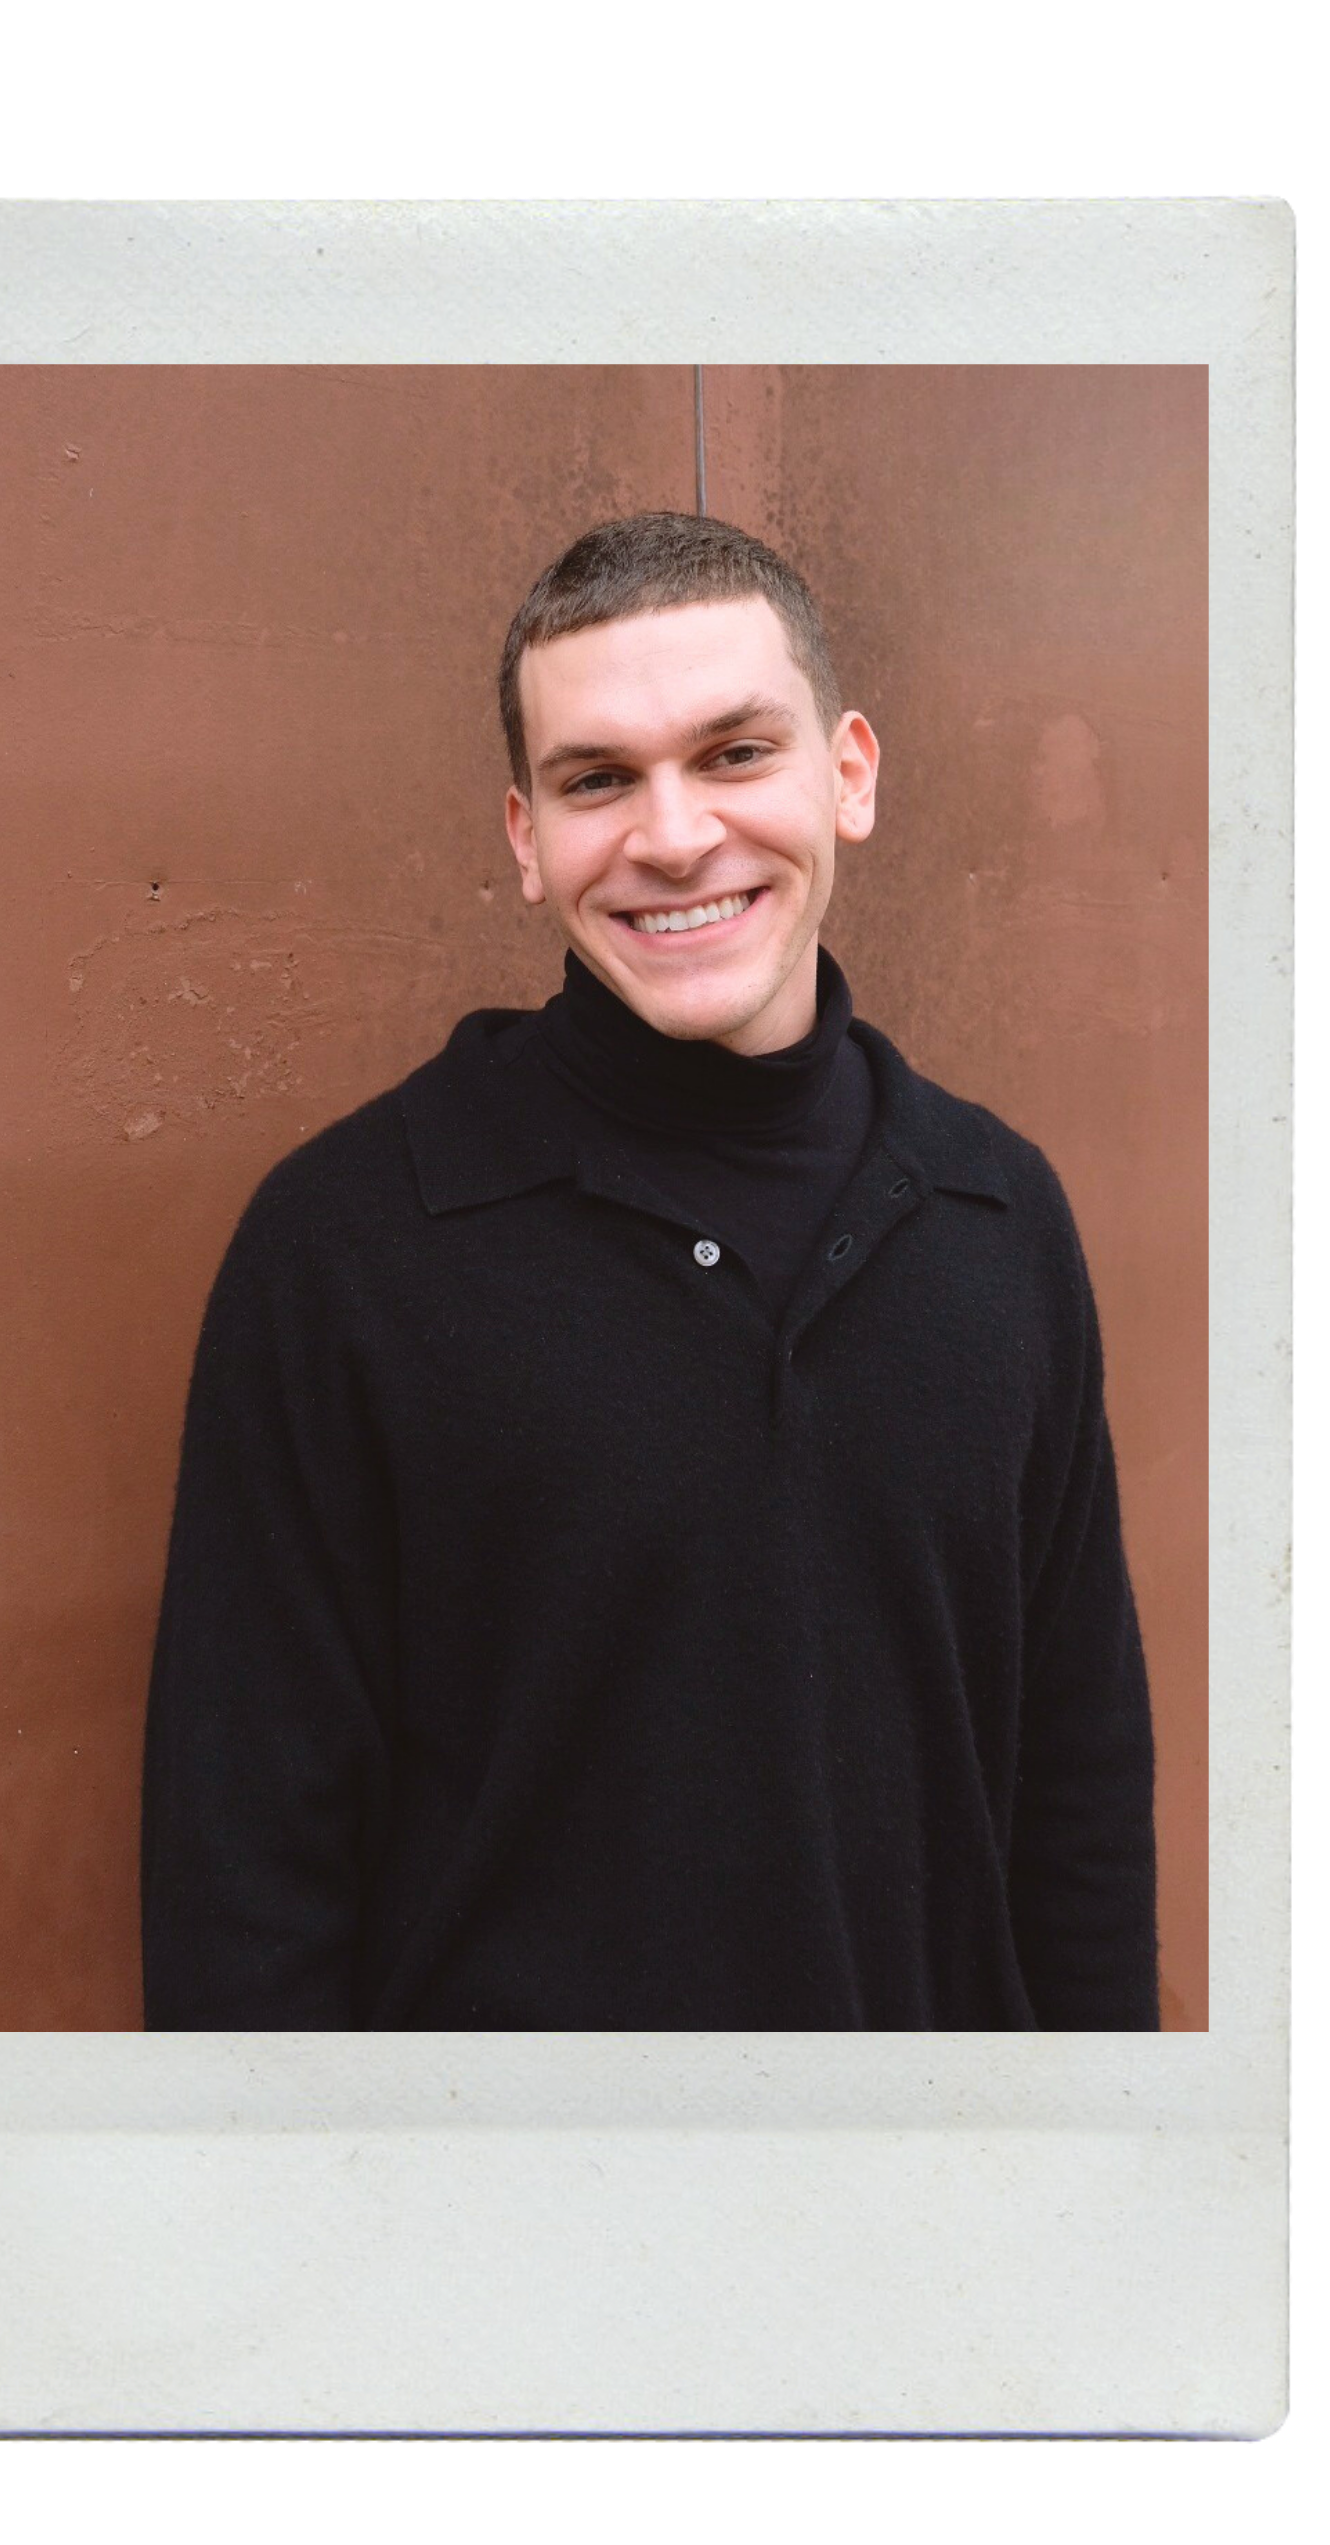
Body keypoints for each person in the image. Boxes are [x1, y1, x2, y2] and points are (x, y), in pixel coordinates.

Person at [141, 511, 1159, 2032]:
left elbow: (1077, 1803)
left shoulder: (999, 1217)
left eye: (737, 752)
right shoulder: (347, 1246)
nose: (672, 835)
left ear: (850, 774)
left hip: (929, 2228)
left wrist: (1095, 2195)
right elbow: (242, 1874)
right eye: (597, 779)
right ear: (525, 841)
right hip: (507, 2231)